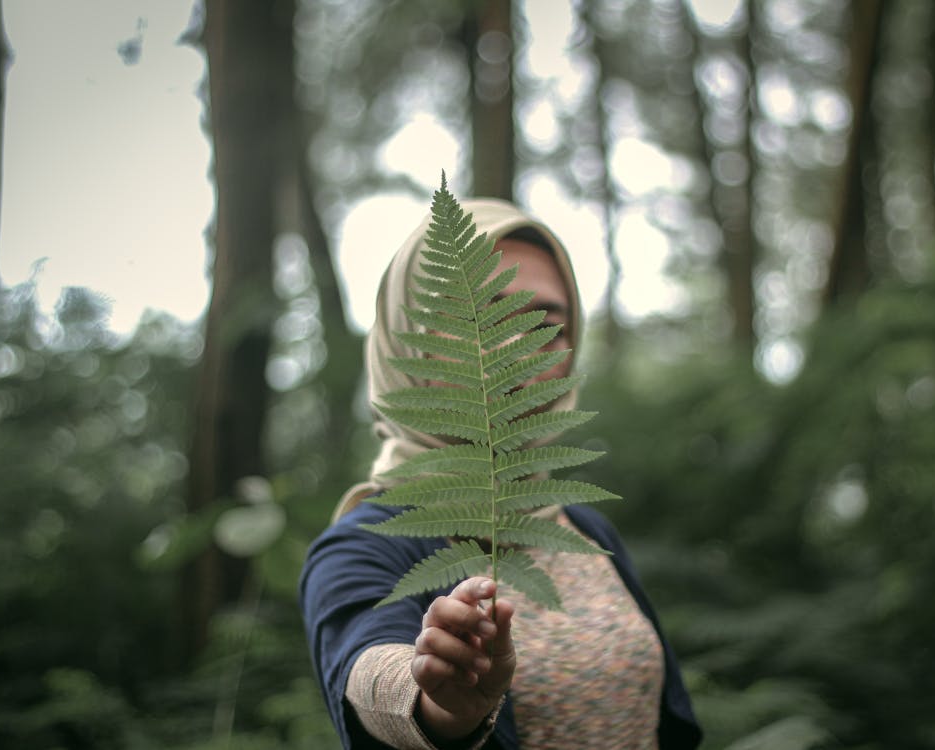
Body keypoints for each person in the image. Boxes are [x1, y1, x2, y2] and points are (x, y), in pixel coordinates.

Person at [299, 197, 702, 749]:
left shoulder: (582, 527)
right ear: (404, 338)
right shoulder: (361, 545)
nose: (514, 348)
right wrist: (435, 701)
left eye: (547, 324)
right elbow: (365, 667)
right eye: (480, 315)